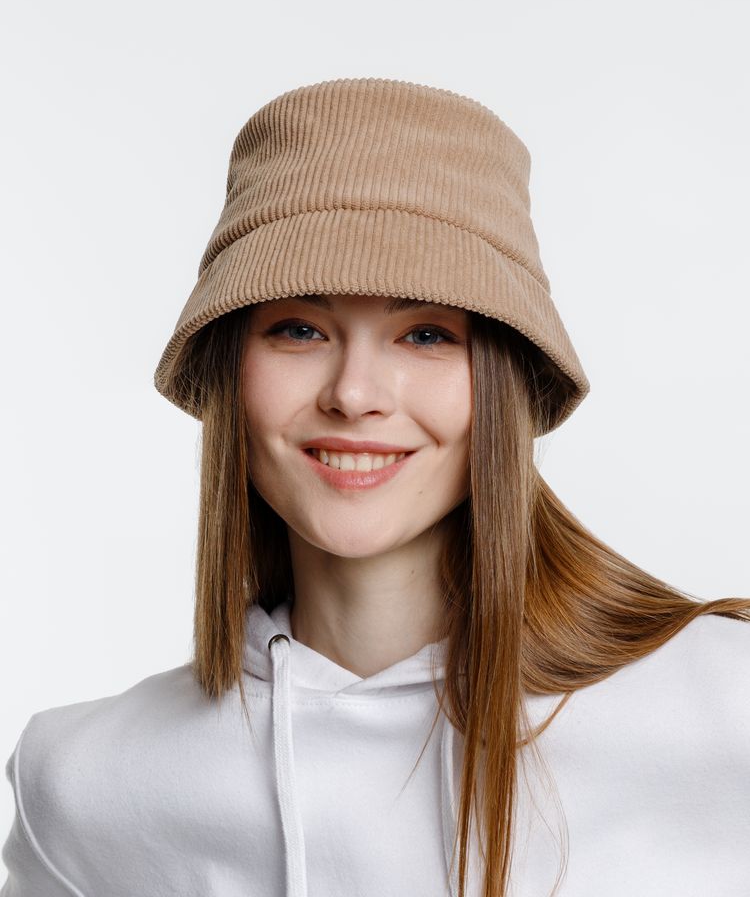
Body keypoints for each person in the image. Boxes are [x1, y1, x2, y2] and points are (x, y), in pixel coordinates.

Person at [2, 77, 749, 897]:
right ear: (229, 372)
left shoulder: (723, 707)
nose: (354, 394)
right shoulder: (86, 789)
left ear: (504, 381)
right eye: (299, 329)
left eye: (426, 334)